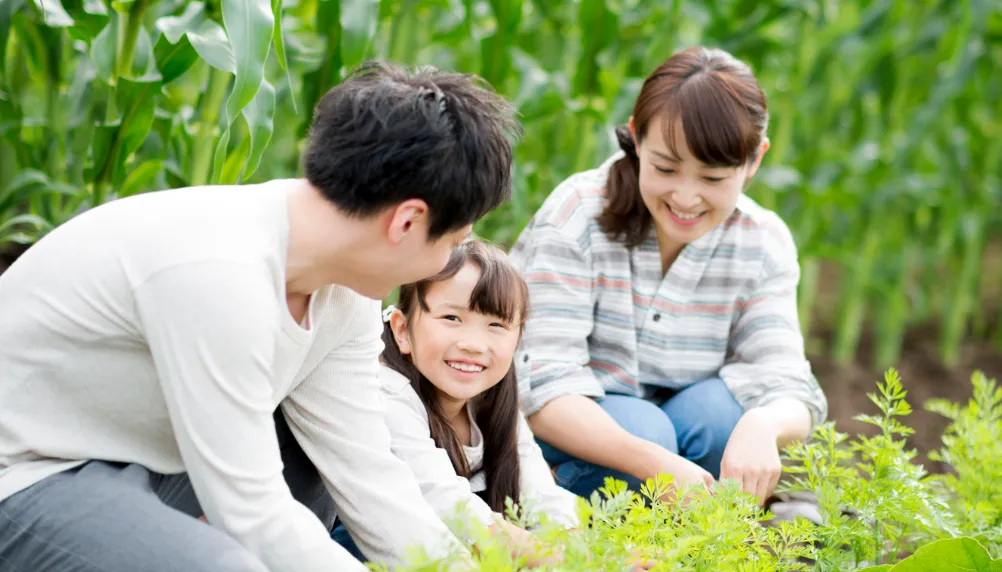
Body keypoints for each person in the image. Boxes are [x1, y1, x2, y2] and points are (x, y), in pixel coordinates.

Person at [0, 61, 520, 572]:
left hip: (150, 462)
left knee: (312, 453)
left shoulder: (344, 289)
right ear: (407, 221)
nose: (448, 260)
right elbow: (254, 512)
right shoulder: (219, 271)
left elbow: (366, 467)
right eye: (454, 242)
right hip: (33, 471)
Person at [508, 46, 828, 506]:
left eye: (713, 179)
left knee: (727, 417)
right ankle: (557, 507)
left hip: (680, 435)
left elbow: (787, 383)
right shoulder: (577, 214)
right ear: (637, 139)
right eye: (665, 168)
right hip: (573, 427)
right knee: (647, 430)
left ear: (755, 160)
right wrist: (657, 463)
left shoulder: (762, 241)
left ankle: (695, 539)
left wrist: (764, 424)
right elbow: (540, 385)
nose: (685, 197)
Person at [330, 240, 579, 566]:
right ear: (402, 331)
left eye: (496, 325)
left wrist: (586, 547)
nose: (474, 345)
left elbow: (542, 496)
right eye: (451, 318)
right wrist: (567, 560)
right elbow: (448, 505)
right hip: (370, 547)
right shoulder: (387, 395)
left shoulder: (495, 399)